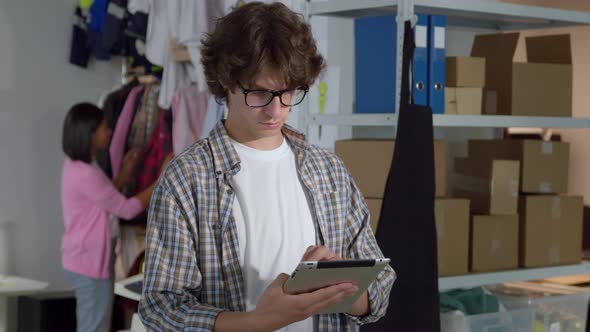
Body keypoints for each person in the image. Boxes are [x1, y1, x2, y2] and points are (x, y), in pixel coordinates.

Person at [139, 2, 395, 331]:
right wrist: (256, 323)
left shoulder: (328, 170)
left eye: (287, 92)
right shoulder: (187, 179)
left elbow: (379, 291)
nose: (276, 109)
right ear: (226, 81)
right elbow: (161, 308)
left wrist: (343, 288)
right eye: (259, 93)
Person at [60, 102, 169, 332]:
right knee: (95, 326)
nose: (109, 132)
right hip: (89, 261)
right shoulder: (87, 173)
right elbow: (127, 209)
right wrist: (162, 179)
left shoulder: (79, 165)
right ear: (89, 133)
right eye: (104, 127)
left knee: (94, 322)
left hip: (83, 257)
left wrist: (125, 173)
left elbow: (102, 199)